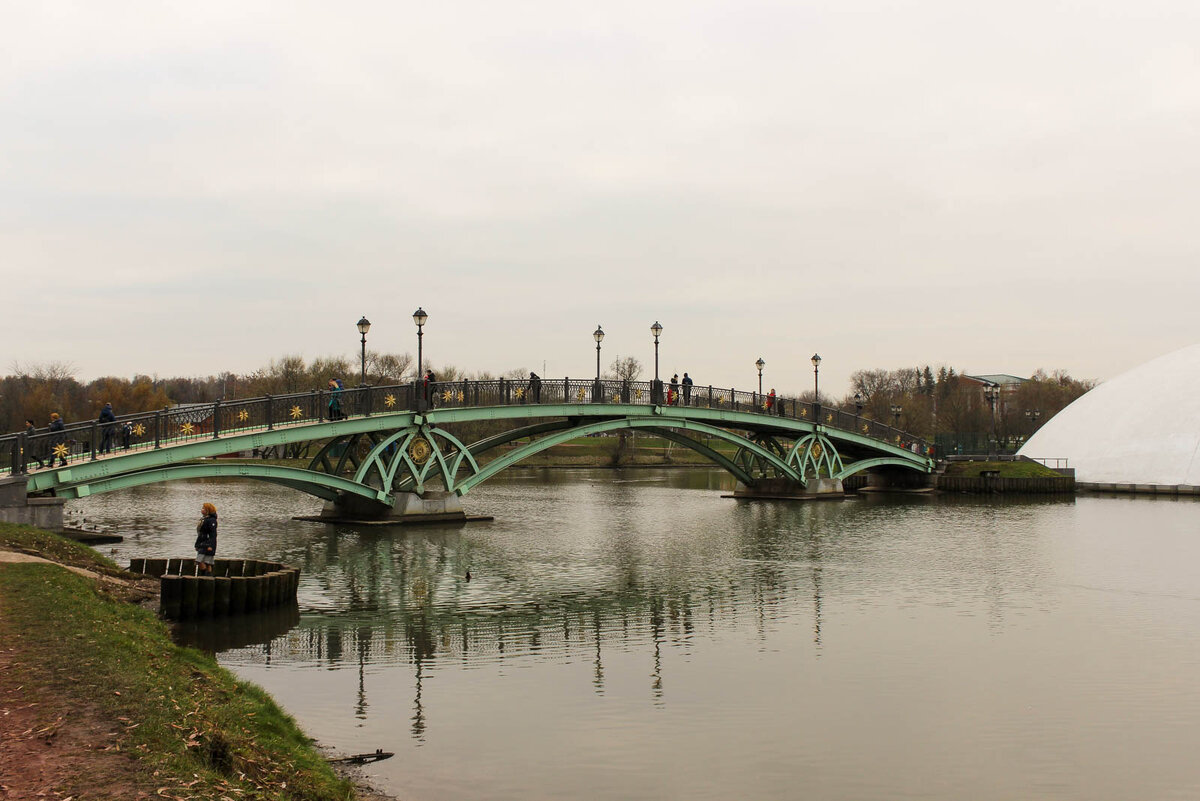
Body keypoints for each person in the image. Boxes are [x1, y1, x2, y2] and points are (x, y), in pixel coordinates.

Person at [194, 503, 218, 575]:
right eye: (202, 508)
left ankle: (206, 575)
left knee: (203, 560)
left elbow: (213, 534)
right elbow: (201, 534)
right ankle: (206, 575)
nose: (202, 510)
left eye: (204, 508)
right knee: (206, 561)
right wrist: (197, 544)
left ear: (208, 510)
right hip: (202, 542)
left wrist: (211, 545)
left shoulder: (211, 520)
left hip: (208, 543)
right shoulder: (204, 519)